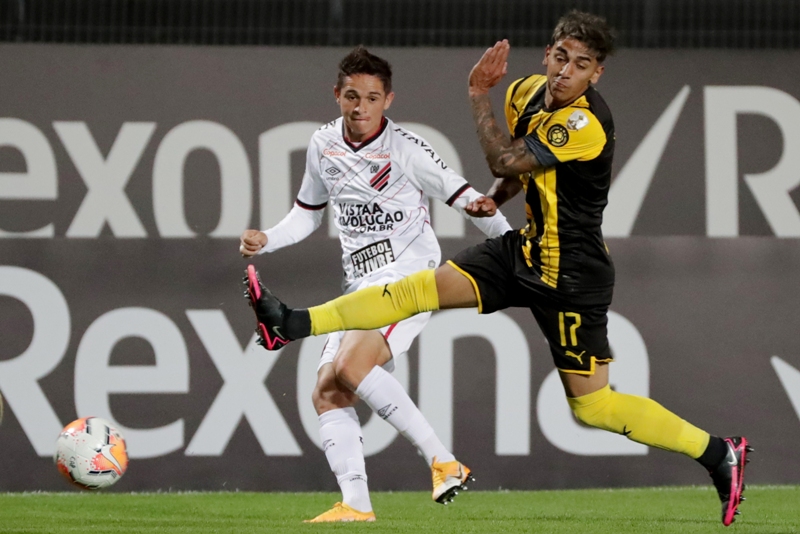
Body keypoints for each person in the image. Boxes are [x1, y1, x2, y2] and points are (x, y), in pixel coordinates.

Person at [244, 12, 752, 527]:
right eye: (560, 57)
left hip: (572, 275)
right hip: (523, 251)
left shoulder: (586, 123)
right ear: (547, 54)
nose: (565, 71)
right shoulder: (526, 93)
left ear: (596, 73)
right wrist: (495, 199)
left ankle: (718, 453)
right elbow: (520, 172)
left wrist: (476, 94)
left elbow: (505, 161)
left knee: (593, 407)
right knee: (417, 290)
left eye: (581, 65)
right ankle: (292, 323)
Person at [241, 46, 511, 522]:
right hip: (360, 284)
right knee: (328, 390)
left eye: (371, 98)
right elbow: (306, 214)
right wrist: (267, 239)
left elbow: (467, 198)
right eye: (352, 96)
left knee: (350, 364)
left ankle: (443, 461)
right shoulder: (323, 144)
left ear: (388, 100)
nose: (360, 107)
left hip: (408, 277)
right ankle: (356, 505)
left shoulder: (406, 148)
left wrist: (516, 251)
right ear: (337, 95)